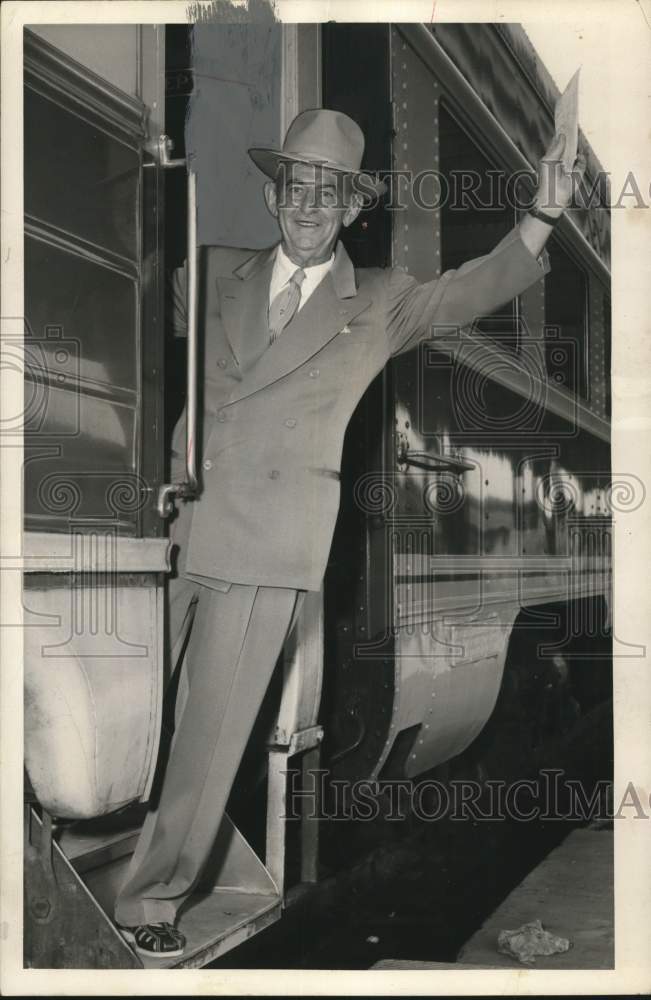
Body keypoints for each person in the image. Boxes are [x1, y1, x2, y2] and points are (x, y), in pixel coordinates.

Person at [115, 108, 584, 957]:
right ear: (273, 193)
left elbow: (479, 283)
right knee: (127, 705)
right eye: (298, 186)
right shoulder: (211, 272)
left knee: (213, 729)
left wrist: (542, 212)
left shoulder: (379, 301)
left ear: (350, 210)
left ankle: (153, 895)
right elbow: (136, 327)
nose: (310, 205)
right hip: (171, 517)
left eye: (329, 193)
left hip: (266, 541)